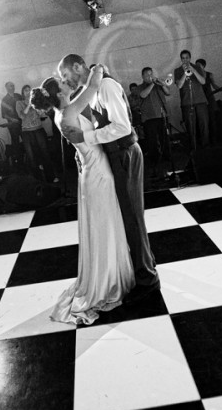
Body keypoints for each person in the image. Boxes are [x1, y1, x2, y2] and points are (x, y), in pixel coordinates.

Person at [30, 65, 134, 324]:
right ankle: (109, 282)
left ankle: (109, 275)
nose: (66, 81)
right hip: (98, 172)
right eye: (63, 81)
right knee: (106, 225)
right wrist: (97, 67)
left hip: (89, 170)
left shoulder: (62, 114)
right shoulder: (69, 110)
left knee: (103, 226)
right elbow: (94, 85)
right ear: (60, 92)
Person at [59, 54, 160, 305]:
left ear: (78, 67)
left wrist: (86, 138)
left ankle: (147, 279)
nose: (66, 80)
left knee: (132, 216)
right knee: (128, 216)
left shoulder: (105, 86)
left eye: (65, 75)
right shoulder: (92, 87)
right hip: (116, 155)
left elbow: (122, 127)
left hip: (125, 152)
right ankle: (143, 266)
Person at [16, 85, 58, 183]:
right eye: (25, 90)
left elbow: (41, 113)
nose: (28, 92)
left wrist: (39, 105)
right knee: (32, 156)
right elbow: (22, 116)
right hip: (27, 132)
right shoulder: (19, 103)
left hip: (38, 129)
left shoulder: (35, 102)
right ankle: (37, 180)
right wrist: (29, 104)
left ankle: (50, 177)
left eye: (29, 90)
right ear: (22, 93)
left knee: (45, 153)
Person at [137, 67, 172, 178]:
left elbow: (168, 93)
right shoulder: (139, 87)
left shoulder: (158, 85)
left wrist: (162, 84)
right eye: (147, 75)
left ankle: (167, 156)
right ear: (143, 77)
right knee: (152, 139)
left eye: (151, 74)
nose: (150, 76)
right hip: (149, 118)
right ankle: (154, 159)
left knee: (164, 137)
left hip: (161, 115)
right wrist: (152, 84)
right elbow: (143, 95)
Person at [174, 50, 209, 150]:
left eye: (187, 58)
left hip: (201, 101)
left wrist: (193, 71)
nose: (185, 60)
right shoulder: (177, 70)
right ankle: (194, 151)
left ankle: (206, 149)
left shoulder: (197, 67)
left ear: (190, 58)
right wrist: (185, 73)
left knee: (204, 126)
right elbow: (179, 85)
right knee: (191, 128)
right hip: (187, 103)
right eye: (183, 58)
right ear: (181, 59)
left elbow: (203, 81)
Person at [195, 58, 222, 144]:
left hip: (210, 99)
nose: (197, 67)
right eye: (196, 65)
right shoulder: (196, 76)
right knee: (203, 122)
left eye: (199, 65)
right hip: (201, 100)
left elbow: (214, 85)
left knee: (212, 121)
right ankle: (205, 141)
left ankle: (214, 141)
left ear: (203, 66)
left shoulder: (209, 75)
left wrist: (220, 88)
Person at [1, 81, 23, 164]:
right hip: (13, 125)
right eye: (11, 86)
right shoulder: (4, 99)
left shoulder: (18, 96)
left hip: (22, 122)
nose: (13, 87)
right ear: (6, 88)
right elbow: (4, 114)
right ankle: (19, 162)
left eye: (13, 86)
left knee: (26, 139)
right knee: (15, 142)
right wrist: (12, 119)